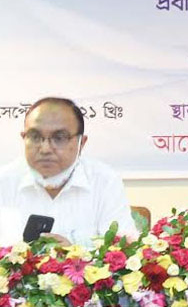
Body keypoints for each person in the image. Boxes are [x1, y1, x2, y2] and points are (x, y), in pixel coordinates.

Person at [0, 97, 138, 246]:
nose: (45, 149)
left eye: (59, 138)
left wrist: (74, 253)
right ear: (23, 138)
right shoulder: (4, 181)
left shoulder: (104, 181)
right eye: (35, 137)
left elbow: (122, 248)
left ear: (81, 143)